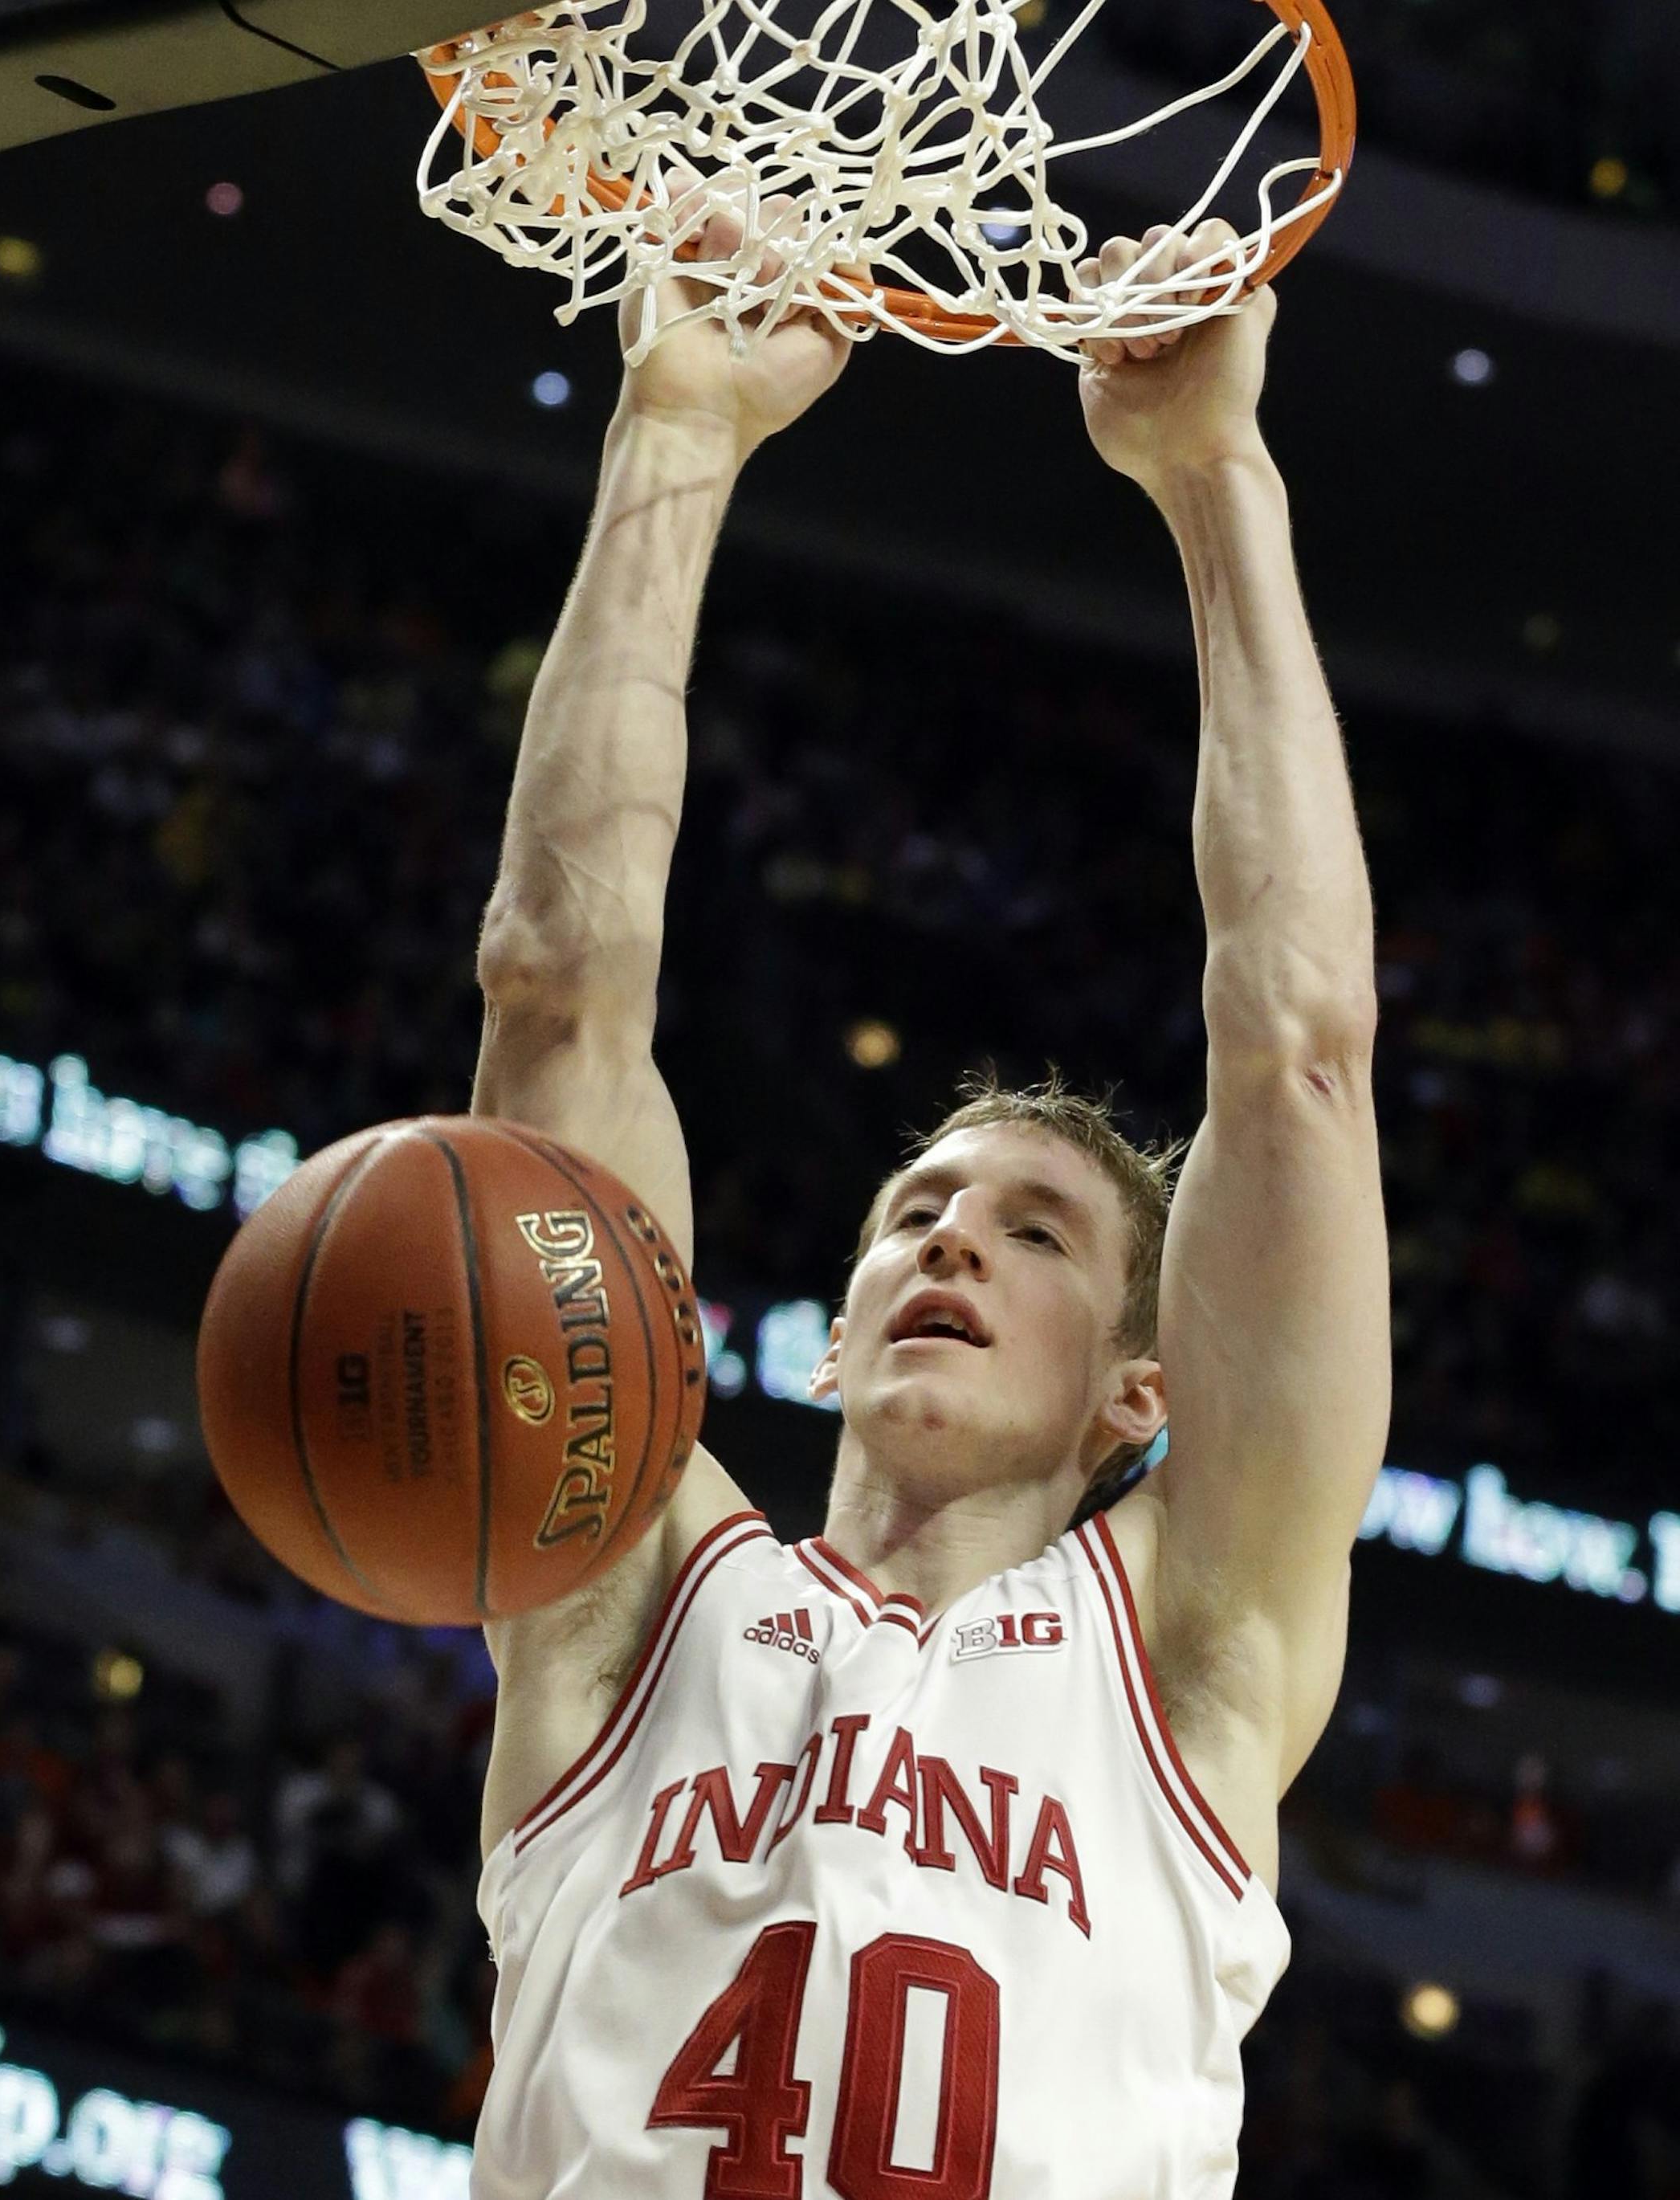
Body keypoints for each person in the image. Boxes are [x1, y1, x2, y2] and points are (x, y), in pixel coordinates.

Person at [468, 202, 1390, 2197]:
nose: (950, 1235)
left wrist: (1216, 477)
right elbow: (554, 981)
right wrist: (679, 428)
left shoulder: (1188, 1647)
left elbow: (1300, 1044)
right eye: (914, 1212)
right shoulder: (638, 1597)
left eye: (1036, 1230)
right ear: (831, 1326)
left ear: (1143, 1389)